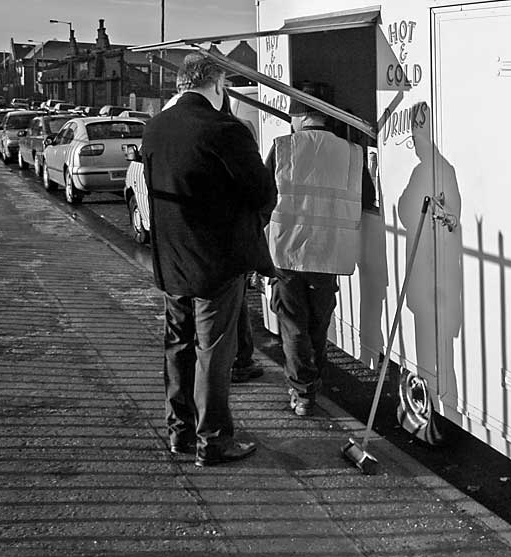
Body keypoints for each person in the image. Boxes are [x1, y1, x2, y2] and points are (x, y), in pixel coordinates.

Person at [142, 53, 276, 466]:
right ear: (217, 86)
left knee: (177, 346)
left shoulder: (155, 127)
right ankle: (213, 439)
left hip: (171, 260)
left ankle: (179, 432)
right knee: (214, 351)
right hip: (216, 262)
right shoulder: (225, 130)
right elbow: (262, 192)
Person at [267, 84, 372, 416]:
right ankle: (312, 383)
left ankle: (303, 391)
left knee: (293, 323)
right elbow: (367, 199)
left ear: (298, 116)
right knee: (318, 323)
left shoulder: (283, 148)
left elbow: (263, 196)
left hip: (287, 253)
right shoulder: (353, 153)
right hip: (329, 253)